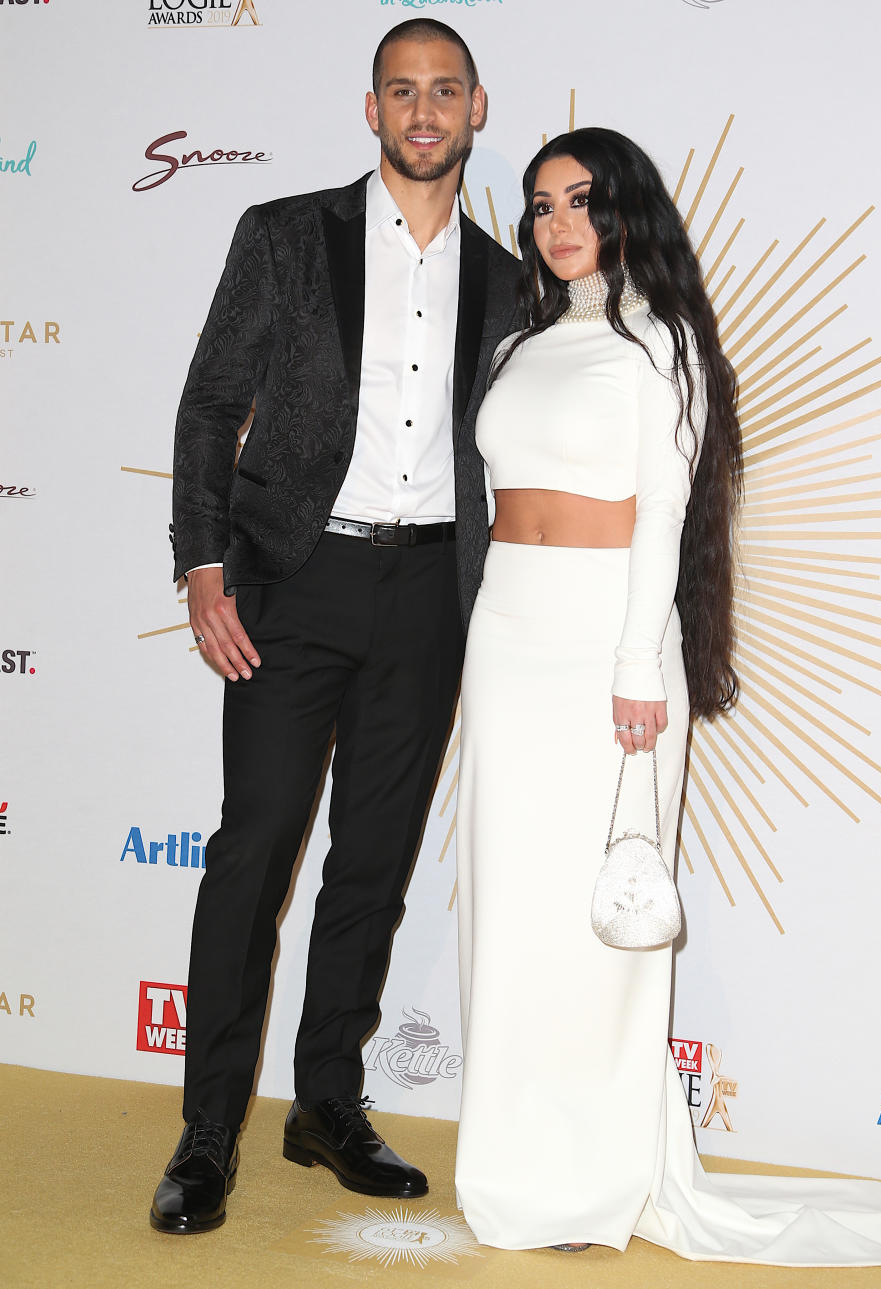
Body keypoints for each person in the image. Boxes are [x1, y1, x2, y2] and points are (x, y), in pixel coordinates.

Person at [453, 128, 881, 1264]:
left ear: (629, 212)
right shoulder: (520, 343)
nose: (558, 224)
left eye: (582, 201)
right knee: (512, 908)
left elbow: (665, 517)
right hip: (508, 640)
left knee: (602, 914)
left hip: (604, 645)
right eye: (539, 206)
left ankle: (597, 1175)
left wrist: (638, 666)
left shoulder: (660, 340)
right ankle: (515, 1162)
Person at [151, 19, 520, 1235]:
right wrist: (204, 565)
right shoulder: (285, 235)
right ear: (371, 111)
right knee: (251, 852)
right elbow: (211, 404)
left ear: (477, 109)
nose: (424, 111)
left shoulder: (511, 281)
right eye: (401, 92)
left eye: (444, 91)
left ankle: (328, 1102)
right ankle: (208, 1134)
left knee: (370, 867)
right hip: (290, 585)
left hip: (428, 600)